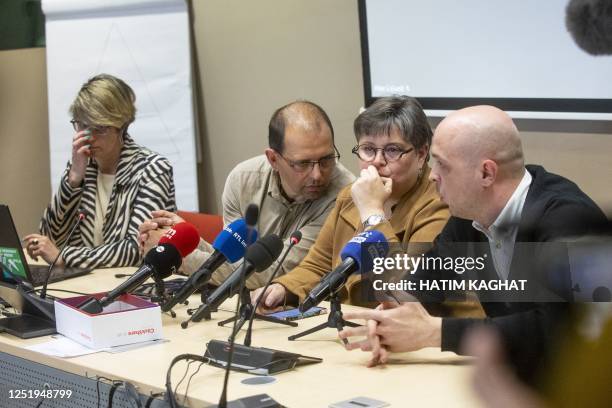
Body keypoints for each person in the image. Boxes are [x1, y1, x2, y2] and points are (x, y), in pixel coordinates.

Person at [339, 105, 606, 379]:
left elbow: (563, 333)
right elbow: (421, 286)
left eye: (442, 164)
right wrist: (390, 320)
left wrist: (435, 332)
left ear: (487, 174)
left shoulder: (566, 218)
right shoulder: (468, 217)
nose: (432, 175)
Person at [252, 96, 452, 310]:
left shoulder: (439, 202)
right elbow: (318, 265)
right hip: (345, 324)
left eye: (392, 150)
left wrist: (373, 214)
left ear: (421, 154)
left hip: (398, 330)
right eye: (368, 149)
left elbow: (409, 291)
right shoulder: (350, 196)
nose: (376, 160)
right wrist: (285, 287)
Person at [138, 100, 355, 289]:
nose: (317, 174)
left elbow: (272, 274)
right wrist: (178, 240)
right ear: (273, 159)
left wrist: (182, 257)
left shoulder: (345, 194)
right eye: (303, 163)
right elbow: (230, 259)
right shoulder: (243, 181)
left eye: (327, 159)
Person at [24, 74, 175, 269]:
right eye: (82, 126)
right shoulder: (83, 167)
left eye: (100, 129)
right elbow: (50, 237)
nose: (90, 137)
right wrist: (73, 180)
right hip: (84, 284)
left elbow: (136, 249)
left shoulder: (153, 169)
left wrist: (65, 256)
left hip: (134, 288)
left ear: (121, 126)